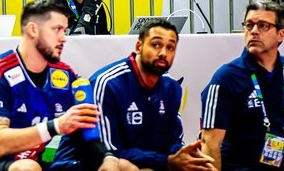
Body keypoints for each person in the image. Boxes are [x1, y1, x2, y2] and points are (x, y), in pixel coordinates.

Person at [0, 0, 123, 170]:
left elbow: (84, 134)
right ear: (33, 29)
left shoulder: (64, 75)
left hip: (35, 163)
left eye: (64, 31)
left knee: (121, 165)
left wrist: (106, 157)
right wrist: (57, 125)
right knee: (27, 167)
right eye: (57, 30)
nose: (64, 38)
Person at [87, 19, 216, 171]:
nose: (163, 53)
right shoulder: (108, 83)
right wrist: (167, 161)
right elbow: (110, 152)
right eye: (156, 45)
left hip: (147, 164)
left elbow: (172, 141)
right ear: (138, 46)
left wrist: (186, 157)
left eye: (170, 48)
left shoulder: (172, 87)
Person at [200, 0, 284, 171]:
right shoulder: (225, 78)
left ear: (281, 34)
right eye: (249, 25)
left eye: (263, 26)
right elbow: (210, 145)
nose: (254, 31)